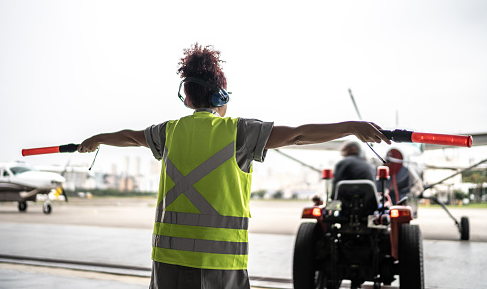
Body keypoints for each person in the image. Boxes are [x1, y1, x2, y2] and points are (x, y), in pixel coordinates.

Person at [77, 43, 390, 289]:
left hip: (167, 264)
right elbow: (298, 135)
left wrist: (97, 138)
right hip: (220, 269)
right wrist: (350, 126)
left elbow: (129, 137)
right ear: (220, 95)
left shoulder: (167, 131)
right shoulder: (239, 132)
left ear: (186, 98)